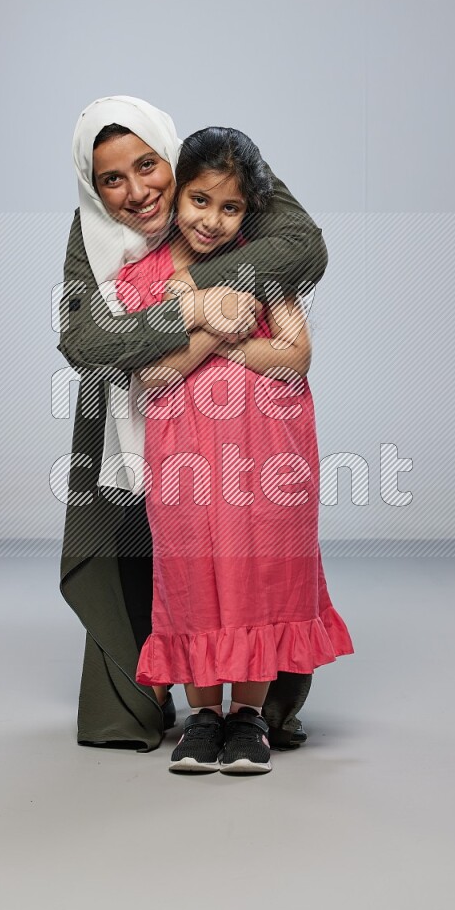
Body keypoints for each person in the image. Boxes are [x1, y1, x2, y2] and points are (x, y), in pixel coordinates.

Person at [57, 96, 329, 752]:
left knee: (255, 559)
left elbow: (303, 248)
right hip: (133, 408)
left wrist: (206, 285)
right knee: (147, 553)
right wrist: (197, 311)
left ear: (172, 159)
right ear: (92, 186)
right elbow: (86, 341)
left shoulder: (220, 173)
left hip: (250, 433)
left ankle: (257, 708)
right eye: (111, 179)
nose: (136, 191)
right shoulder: (90, 237)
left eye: (148, 166)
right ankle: (143, 698)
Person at [112, 127, 354, 773]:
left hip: (271, 454)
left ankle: (247, 715)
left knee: (261, 574)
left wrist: (208, 333)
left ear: (248, 212)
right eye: (200, 200)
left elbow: (296, 355)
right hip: (186, 459)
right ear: (176, 195)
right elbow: (152, 373)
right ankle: (204, 717)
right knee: (192, 573)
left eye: (231, 207)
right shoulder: (146, 278)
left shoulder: (262, 266)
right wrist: (218, 323)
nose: (212, 220)